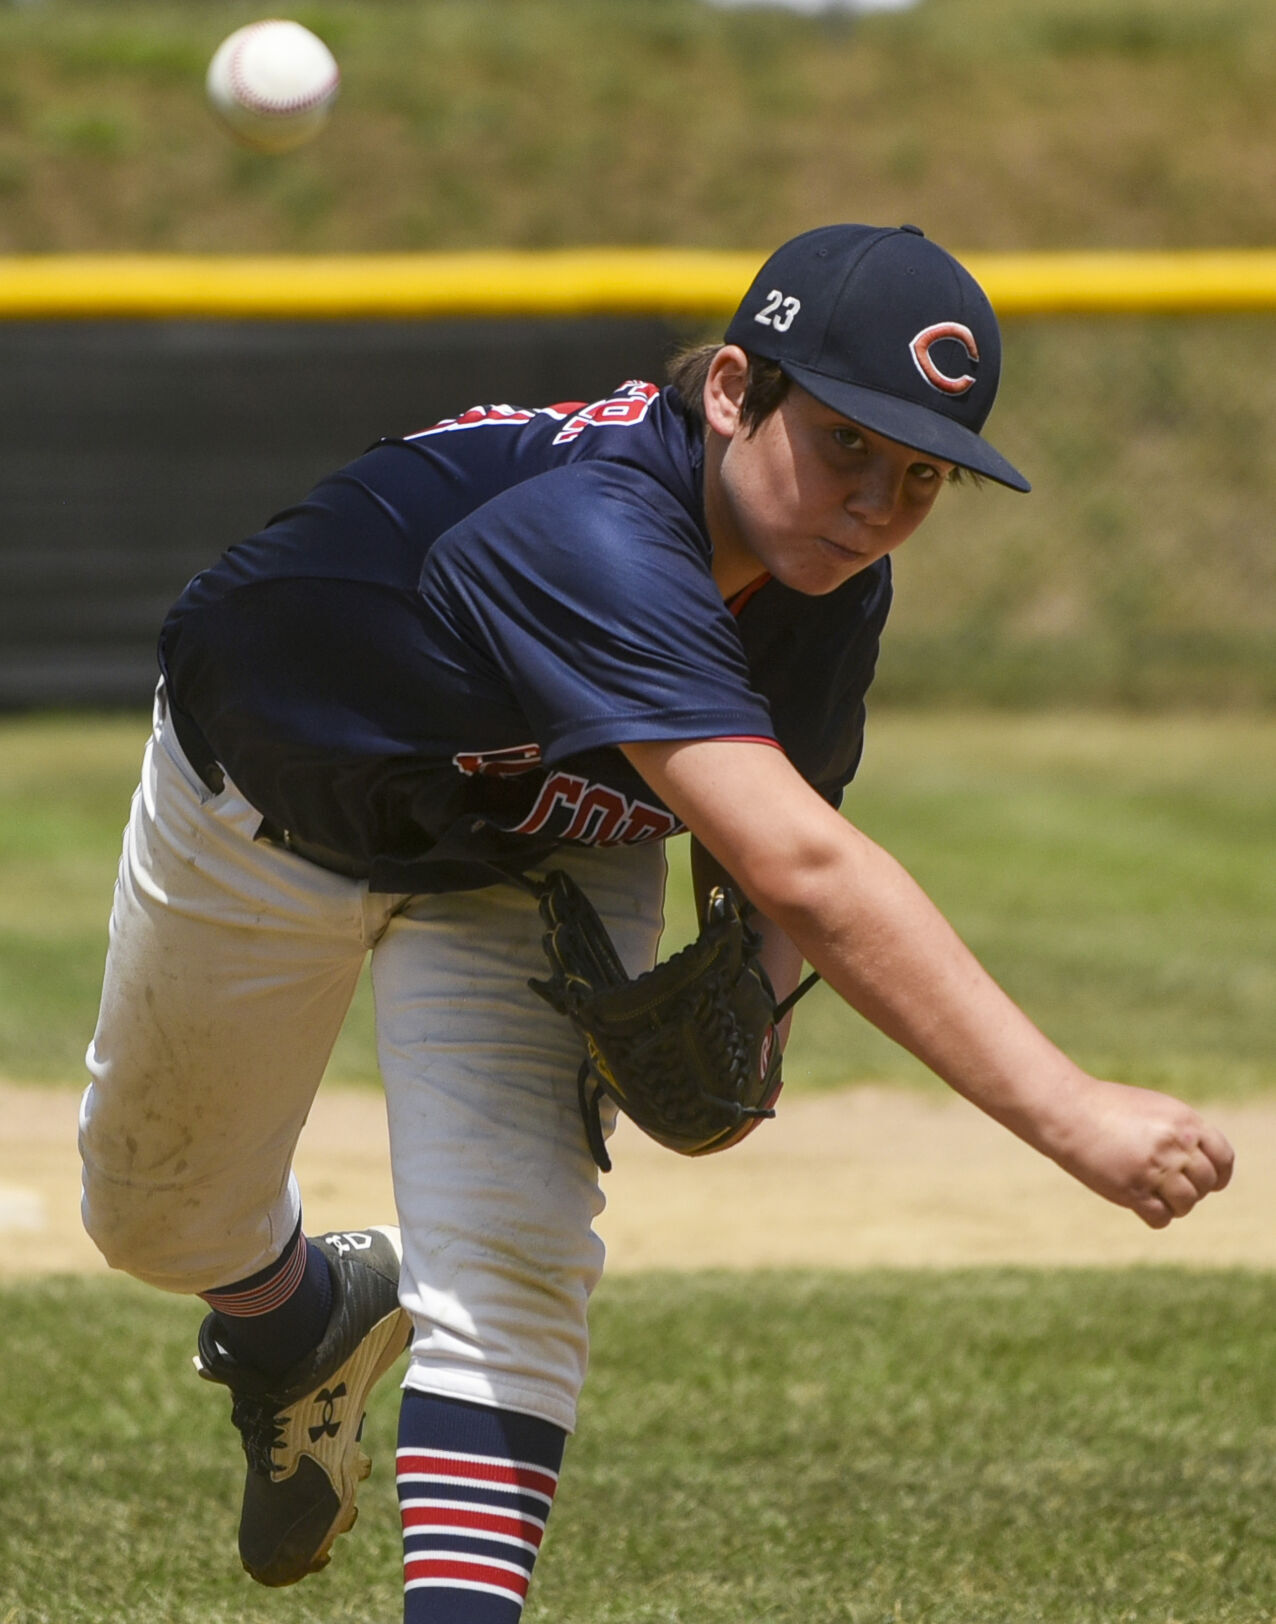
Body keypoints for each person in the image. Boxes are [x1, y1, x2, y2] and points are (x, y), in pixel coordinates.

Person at [79, 223, 1234, 1619]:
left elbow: (786, 837)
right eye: (851, 444)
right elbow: (808, 859)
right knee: (156, 1216)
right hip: (265, 806)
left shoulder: (827, 583)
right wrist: (1072, 1112)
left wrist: (754, 1008)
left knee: (514, 1266)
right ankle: (293, 1321)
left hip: (532, 856)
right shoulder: (591, 530)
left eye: (922, 475)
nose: (876, 503)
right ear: (737, 389)